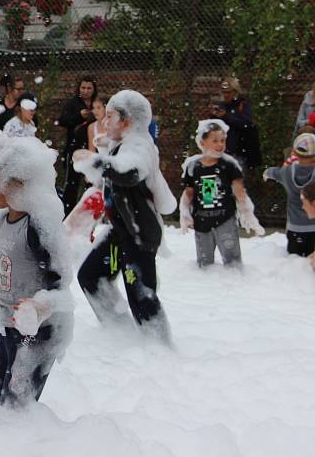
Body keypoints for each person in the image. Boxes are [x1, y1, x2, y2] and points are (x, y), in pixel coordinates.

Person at [0, 130, 73, 408]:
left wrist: (39, 307)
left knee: (18, 405)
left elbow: (60, 284)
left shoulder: (39, 226)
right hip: (10, 326)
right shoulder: (1, 221)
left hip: (41, 331)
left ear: (14, 184)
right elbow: (5, 282)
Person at [73, 90, 176, 343]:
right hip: (121, 232)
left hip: (139, 235)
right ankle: (119, 333)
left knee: (141, 292)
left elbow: (130, 172)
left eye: (110, 116)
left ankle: (159, 347)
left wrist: (98, 162)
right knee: (92, 276)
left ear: (127, 122)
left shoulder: (139, 146)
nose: (104, 121)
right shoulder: (119, 145)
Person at [179, 120, 264, 268]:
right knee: (204, 265)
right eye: (215, 141)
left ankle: (234, 287)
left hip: (225, 220)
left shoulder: (228, 165)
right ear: (202, 142)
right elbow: (189, 193)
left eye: (223, 140)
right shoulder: (194, 166)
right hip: (202, 222)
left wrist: (247, 213)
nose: (220, 145)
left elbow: (239, 192)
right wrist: (184, 211)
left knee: (233, 264)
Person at [263, 133, 315, 257]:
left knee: (294, 261)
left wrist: (266, 173)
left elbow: (273, 172)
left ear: (295, 153)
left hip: (294, 227)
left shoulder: (286, 172)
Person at [58, 75, 97, 215]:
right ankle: (67, 214)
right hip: (74, 148)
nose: (86, 91)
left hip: (92, 149)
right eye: (83, 88)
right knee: (71, 185)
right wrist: (79, 116)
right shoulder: (73, 103)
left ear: (94, 89)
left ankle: (90, 213)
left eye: (89, 88)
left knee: (92, 183)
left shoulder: (96, 104)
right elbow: (62, 120)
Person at [209, 77, 261, 171]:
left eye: (229, 92)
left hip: (239, 150)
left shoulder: (242, 105)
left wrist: (227, 117)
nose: (226, 95)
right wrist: (213, 116)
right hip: (221, 150)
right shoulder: (221, 106)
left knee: (238, 181)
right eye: (224, 92)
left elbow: (246, 124)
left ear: (235, 92)